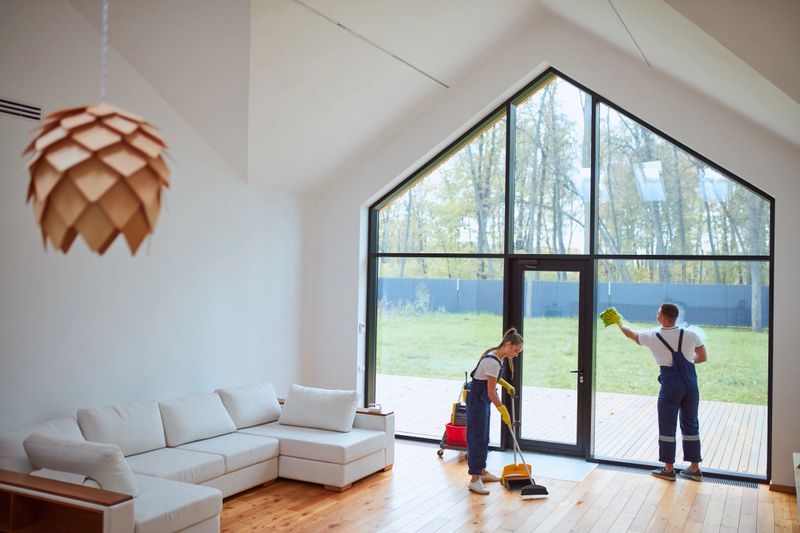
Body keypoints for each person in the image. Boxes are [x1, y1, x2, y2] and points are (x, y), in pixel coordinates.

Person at [616, 303, 708, 481]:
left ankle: (668, 469)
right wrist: (686, 364)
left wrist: (619, 323)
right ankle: (695, 469)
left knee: (667, 425)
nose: (656, 315)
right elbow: (702, 358)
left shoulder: (653, 336)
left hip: (671, 387)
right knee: (691, 424)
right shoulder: (691, 334)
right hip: (690, 385)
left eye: (658, 313)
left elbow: (631, 335)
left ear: (664, 318)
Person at [465, 328, 522, 494]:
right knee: (477, 437)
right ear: (508, 344)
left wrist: (505, 384)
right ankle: (474, 480)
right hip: (478, 401)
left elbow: (491, 377)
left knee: (484, 437)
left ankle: (481, 472)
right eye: (516, 350)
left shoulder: (498, 356)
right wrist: (502, 409)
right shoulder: (493, 360)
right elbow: (491, 392)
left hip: (482, 400)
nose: (516, 354)